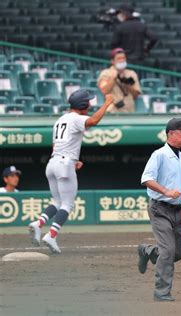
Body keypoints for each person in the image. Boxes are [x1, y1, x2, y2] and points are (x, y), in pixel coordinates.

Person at [28, 90, 114, 253]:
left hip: (53, 163)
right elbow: (94, 121)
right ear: (83, 105)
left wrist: (73, 160)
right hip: (64, 164)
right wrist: (107, 103)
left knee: (56, 202)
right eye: (88, 102)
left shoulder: (60, 120)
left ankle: (38, 223)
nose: (89, 104)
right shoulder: (76, 118)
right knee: (67, 204)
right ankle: (51, 235)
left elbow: (56, 147)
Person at [136, 118, 181, 302]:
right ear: (171, 133)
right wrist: (166, 191)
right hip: (160, 209)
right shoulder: (159, 154)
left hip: (178, 210)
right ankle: (161, 292)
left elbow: (176, 181)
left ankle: (148, 251)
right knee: (169, 251)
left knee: (176, 253)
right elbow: (146, 179)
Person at [98, 48, 142, 113]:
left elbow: (136, 95)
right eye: (119, 58)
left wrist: (127, 84)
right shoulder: (106, 73)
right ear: (112, 61)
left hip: (129, 112)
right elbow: (104, 91)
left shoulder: (131, 74)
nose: (122, 60)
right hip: (112, 111)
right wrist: (113, 78)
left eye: (123, 58)